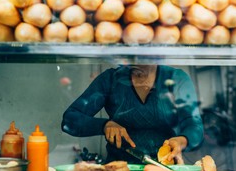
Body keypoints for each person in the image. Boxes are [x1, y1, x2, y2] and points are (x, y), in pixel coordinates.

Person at [61, 64, 204, 164]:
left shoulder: (176, 78)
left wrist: (182, 140)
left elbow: (194, 125)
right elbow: (69, 120)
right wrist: (105, 125)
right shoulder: (111, 79)